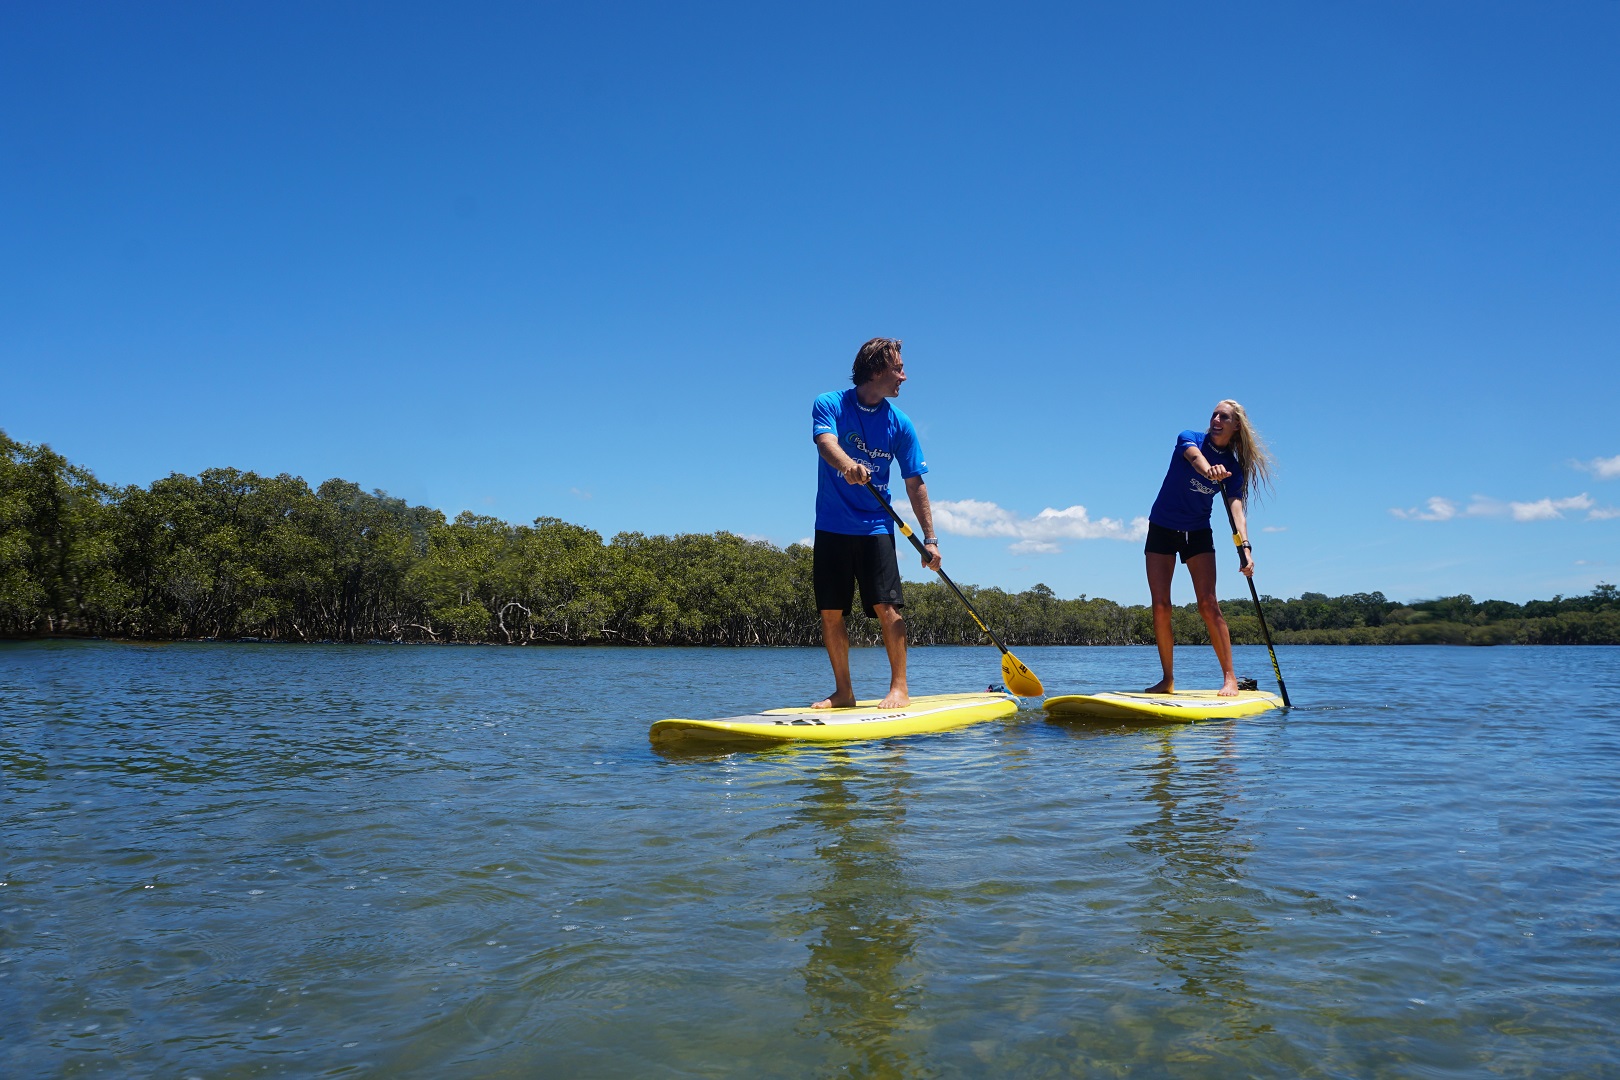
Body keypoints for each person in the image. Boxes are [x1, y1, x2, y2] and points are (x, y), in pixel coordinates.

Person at [810, 337, 941, 709]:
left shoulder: (900, 424)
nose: (905, 375)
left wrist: (930, 539)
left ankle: (899, 688)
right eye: (898, 368)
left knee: (888, 609)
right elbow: (825, 442)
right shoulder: (831, 403)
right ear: (876, 370)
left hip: (876, 528)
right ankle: (844, 692)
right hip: (832, 525)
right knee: (831, 612)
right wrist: (847, 465)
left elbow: (915, 482)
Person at [1143, 399, 1276, 696]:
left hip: (1198, 532)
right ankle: (1167, 679)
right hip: (1162, 527)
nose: (1216, 419)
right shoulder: (1189, 437)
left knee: (1208, 604)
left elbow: (1236, 508)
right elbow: (1196, 460)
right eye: (1214, 414)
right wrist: (1208, 470)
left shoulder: (1233, 466)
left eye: (1224, 417)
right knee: (1161, 606)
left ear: (1236, 426)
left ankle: (1230, 678)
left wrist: (1246, 548)